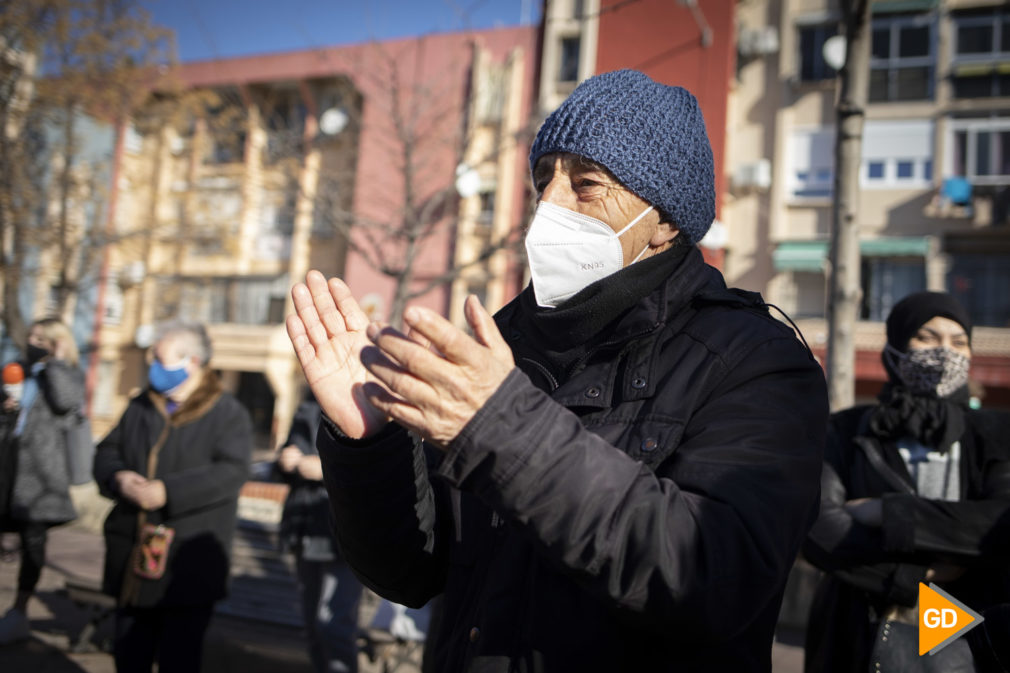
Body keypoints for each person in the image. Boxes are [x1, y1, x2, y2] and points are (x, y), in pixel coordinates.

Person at [287, 69, 828, 672]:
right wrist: (371, 444)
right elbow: (410, 572)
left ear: (665, 222)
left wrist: (503, 429)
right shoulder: (502, 344)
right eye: (543, 179)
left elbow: (715, 577)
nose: (549, 204)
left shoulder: (756, 361)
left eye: (586, 183)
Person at [803, 291, 1010, 673]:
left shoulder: (996, 433)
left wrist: (887, 512)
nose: (945, 351)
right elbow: (819, 528)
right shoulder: (846, 430)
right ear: (896, 347)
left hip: (971, 630)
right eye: (927, 337)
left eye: (959, 341)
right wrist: (917, 576)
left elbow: (999, 524)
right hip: (856, 631)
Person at [93, 321, 252, 672]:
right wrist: (119, 477)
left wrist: (168, 492)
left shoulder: (227, 413)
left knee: (179, 659)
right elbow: (107, 451)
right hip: (133, 556)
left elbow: (232, 471)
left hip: (186, 565)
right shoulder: (141, 405)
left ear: (191, 361)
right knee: (128, 654)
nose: (152, 365)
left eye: (160, 359)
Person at [0, 318, 84, 644]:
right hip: (8, 462)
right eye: (31, 336)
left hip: (40, 473)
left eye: (41, 338)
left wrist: (57, 362)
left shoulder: (65, 373)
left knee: (33, 542)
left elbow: (66, 401)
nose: (32, 342)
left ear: (56, 342)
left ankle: (18, 611)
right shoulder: (19, 369)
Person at [276, 393, 363, 673]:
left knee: (334, 626)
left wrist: (323, 470)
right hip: (304, 528)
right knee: (313, 628)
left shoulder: (366, 403)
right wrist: (285, 460)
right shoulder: (307, 404)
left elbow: (373, 471)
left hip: (344, 535)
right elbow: (290, 457)